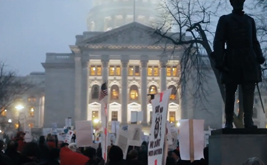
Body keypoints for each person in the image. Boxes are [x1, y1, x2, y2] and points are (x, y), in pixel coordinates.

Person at [213, 0, 265, 128]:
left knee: (248, 91)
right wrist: (219, 61)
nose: (238, 3)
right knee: (230, 91)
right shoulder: (225, 20)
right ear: (232, 3)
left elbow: (254, 41)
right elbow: (219, 41)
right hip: (232, 59)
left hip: (249, 60)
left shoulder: (250, 21)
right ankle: (229, 121)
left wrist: (259, 56)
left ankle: (248, 120)